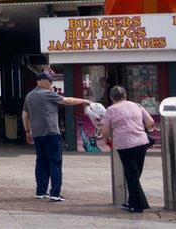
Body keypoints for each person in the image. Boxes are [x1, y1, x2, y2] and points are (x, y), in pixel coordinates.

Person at [22, 73, 91, 202]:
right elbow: (67, 101)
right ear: (42, 81)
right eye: (50, 81)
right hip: (51, 133)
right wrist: (84, 101)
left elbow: (24, 115)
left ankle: (41, 191)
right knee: (55, 162)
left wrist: (27, 131)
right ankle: (55, 193)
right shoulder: (47, 94)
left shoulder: (29, 96)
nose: (51, 84)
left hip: (37, 134)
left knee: (41, 162)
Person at [100, 86, 156, 213]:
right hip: (142, 142)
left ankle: (139, 204)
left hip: (125, 145)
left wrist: (107, 139)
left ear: (112, 98)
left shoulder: (111, 109)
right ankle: (132, 201)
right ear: (125, 95)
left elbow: (105, 131)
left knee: (131, 175)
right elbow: (150, 122)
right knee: (135, 174)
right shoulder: (136, 105)